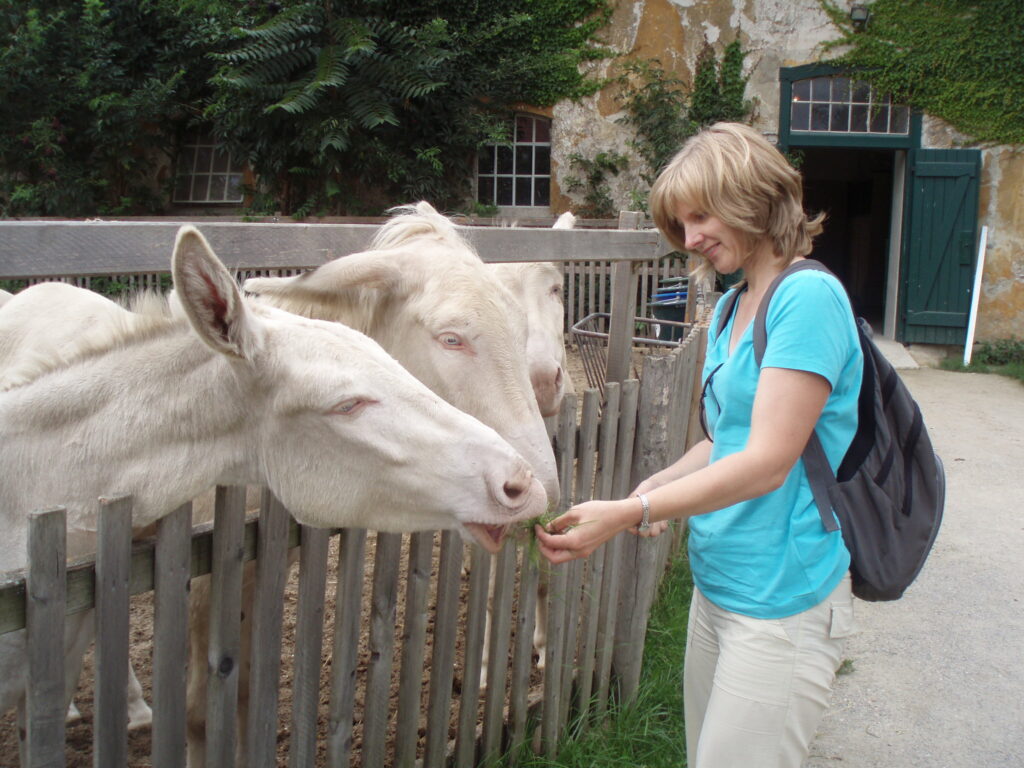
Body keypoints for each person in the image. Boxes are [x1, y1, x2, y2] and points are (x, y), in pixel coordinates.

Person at [534, 122, 864, 768]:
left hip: (781, 601)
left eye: (701, 216)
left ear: (752, 196)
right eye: (680, 224)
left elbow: (768, 462)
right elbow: (725, 440)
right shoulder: (729, 305)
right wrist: (653, 489)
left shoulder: (809, 298)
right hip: (718, 587)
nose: (690, 239)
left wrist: (636, 515)